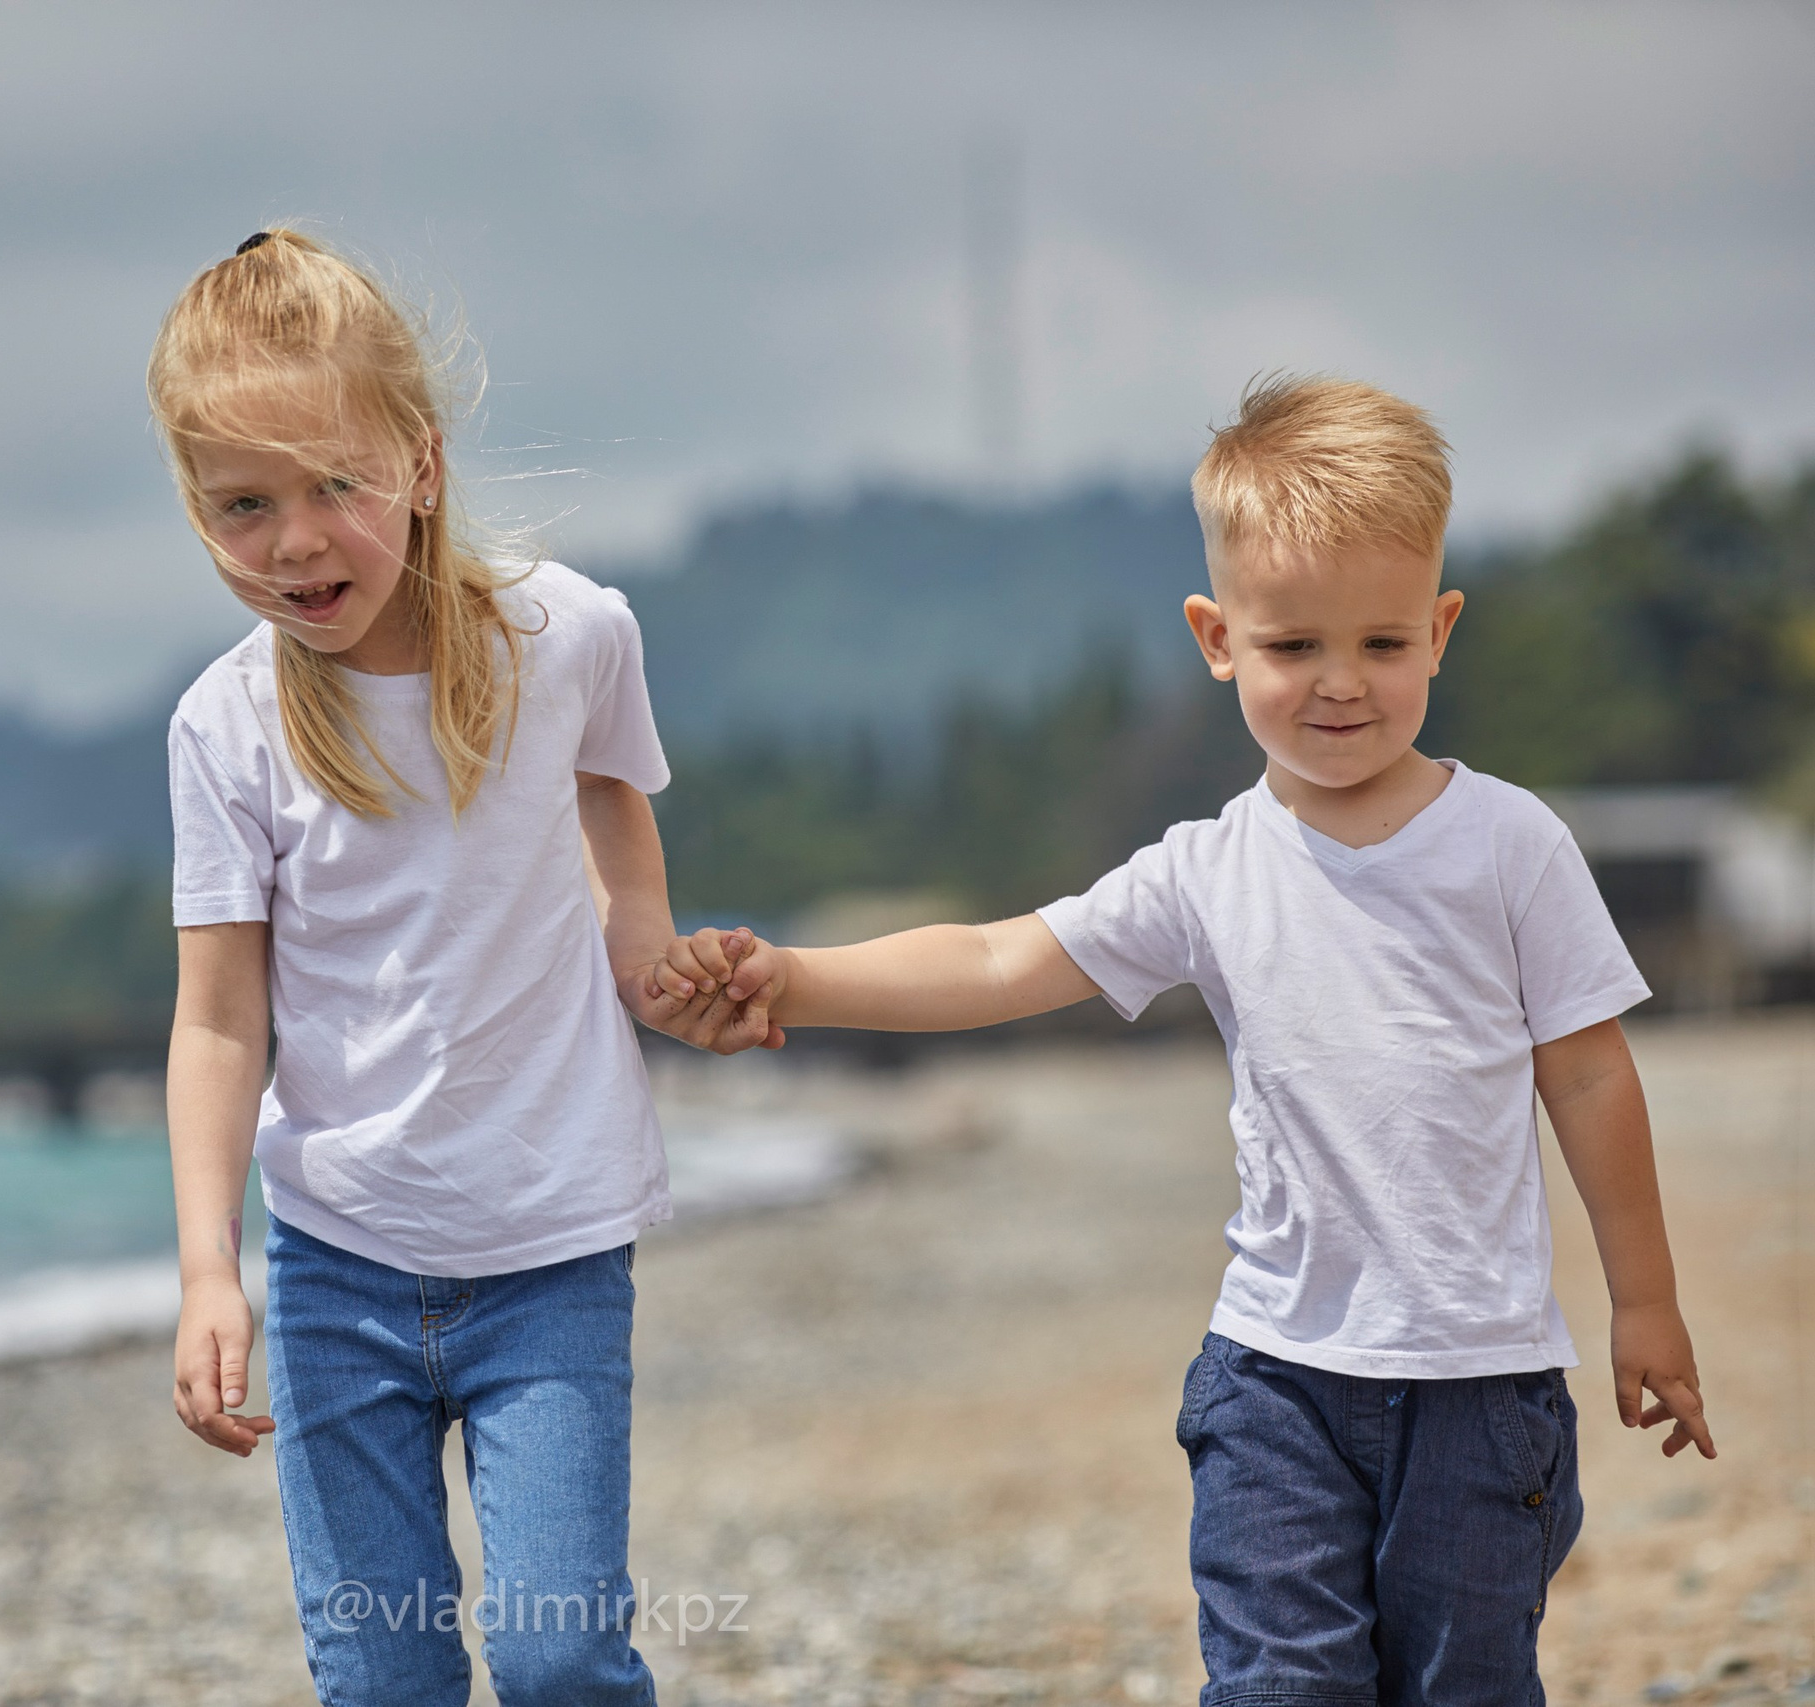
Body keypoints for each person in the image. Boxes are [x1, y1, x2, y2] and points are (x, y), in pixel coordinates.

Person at [662, 376, 1715, 1707]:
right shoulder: (1206, 871)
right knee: (1282, 1685)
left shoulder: (1512, 846)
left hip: (1480, 1380)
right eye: (1292, 648)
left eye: (1383, 645)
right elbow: (1000, 958)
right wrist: (795, 979)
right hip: (1274, 1382)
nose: (1341, 685)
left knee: (1469, 1685)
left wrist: (1646, 1302)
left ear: (1441, 632)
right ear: (1219, 639)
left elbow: (1587, 1071)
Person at [149, 227, 758, 1707]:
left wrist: (641, 945)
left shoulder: (571, 637)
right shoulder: (224, 731)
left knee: (556, 1658)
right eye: (244, 506)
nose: (295, 541)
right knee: (385, 1673)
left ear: (419, 463)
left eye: (333, 488)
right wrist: (208, 1270)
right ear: (197, 512)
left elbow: (613, 784)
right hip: (336, 1264)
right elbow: (222, 1021)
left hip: (551, 1246)